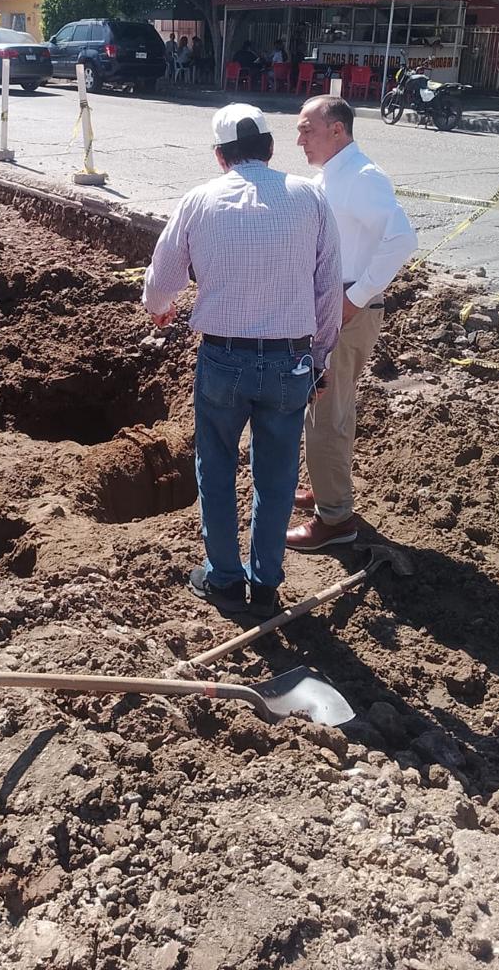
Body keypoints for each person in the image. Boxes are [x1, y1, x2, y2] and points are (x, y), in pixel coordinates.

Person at [143, 103, 342, 615]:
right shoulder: (309, 198)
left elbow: (161, 280)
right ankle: (267, 583)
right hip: (289, 362)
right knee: (275, 478)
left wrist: (161, 309)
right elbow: (326, 291)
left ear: (219, 156)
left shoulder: (199, 201)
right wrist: (319, 360)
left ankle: (225, 580)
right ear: (271, 149)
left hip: (223, 360)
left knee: (215, 468)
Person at [287, 96, 417, 552]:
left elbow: (402, 238)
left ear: (338, 130)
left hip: (346, 309)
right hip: (330, 306)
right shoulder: (329, 177)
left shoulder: (362, 178)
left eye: (308, 129)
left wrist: (353, 299)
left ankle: (336, 520)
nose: (299, 137)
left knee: (328, 411)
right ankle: (327, 491)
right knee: (324, 405)